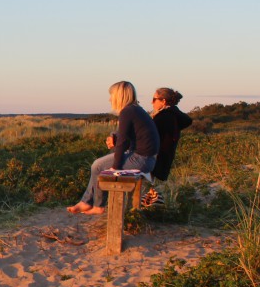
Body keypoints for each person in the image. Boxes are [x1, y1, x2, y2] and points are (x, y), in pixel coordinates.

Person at [68, 81, 160, 215]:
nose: (110, 99)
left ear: (119, 96)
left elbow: (122, 141)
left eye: (111, 95)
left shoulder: (127, 111)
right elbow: (125, 136)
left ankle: (96, 205)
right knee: (99, 164)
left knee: (97, 166)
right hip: (146, 158)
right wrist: (113, 138)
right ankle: (87, 202)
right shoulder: (134, 109)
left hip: (141, 160)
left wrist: (115, 167)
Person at [140, 87, 193, 207]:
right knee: (149, 193)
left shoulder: (163, 117)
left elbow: (147, 138)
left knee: (141, 191)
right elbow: (187, 120)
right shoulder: (172, 116)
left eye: (154, 99)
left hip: (155, 160)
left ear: (163, 101)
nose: (151, 102)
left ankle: (138, 213)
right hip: (163, 160)